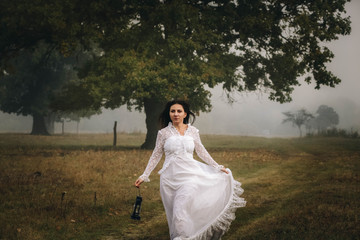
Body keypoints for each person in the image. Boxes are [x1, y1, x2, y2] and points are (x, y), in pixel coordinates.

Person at [135, 100, 246, 240]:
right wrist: (144, 175)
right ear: (169, 114)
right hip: (169, 179)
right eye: (172, 111)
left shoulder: (193, 131)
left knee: (180, 208)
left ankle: (184, 238)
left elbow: (201, 151)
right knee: (174, 214)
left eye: (179, 111)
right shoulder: (163, 133)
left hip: (190, 176)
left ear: (185, 114)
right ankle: (183, 235)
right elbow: (156, 155)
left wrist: (217, 166)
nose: (175, 114)